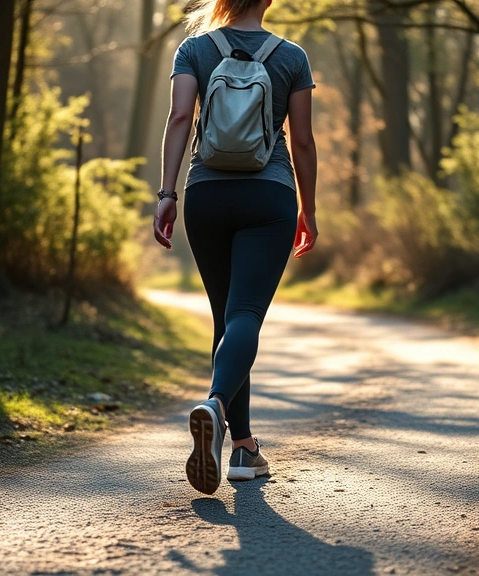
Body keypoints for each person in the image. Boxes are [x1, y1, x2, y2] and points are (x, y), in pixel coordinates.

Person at [153, 0, 318, 495]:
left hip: (206, 192)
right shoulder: (292, 56)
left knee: (225, 318)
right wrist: (308, 210)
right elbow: (303, 142)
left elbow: (181, 117)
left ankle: (243, 449)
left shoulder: (195, 49)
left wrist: (167, 194)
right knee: (244, 313)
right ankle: (217, 407)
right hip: (269, 194)